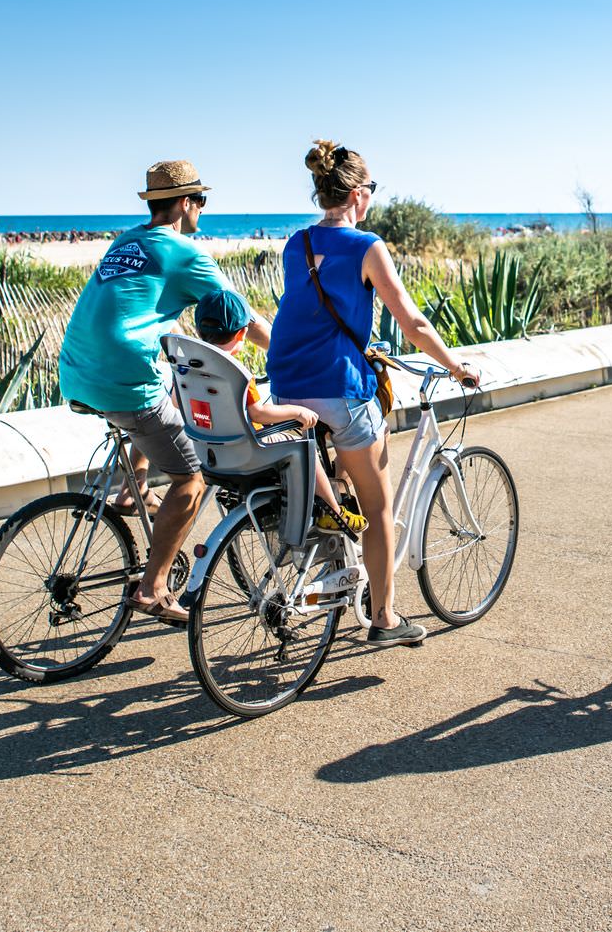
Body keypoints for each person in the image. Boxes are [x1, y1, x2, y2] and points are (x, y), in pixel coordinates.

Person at [266, 140, 480, 648]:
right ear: (359, 194)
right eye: (372, 190)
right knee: (380, 510)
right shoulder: (367, 246)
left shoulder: (295, 244)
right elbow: (412, 319)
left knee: (344, 467)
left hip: (288, 384)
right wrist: (455, 365)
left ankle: (334, 538)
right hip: (339, 387)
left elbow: (308, 314)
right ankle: (383, 619)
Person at [58, 159, 270, 626]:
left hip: (76, 371)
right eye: (201, 200)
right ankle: (152, 588)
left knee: (163, 397)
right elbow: (239, 316)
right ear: (184, 203)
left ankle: (130, 494)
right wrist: (286, 353)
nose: (202, 210)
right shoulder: (185, 252)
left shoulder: (125, 241)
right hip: (122, 377)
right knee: (191, 478)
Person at [191, 288, 358, 530]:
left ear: (198, 330)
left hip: (210, 451)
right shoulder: (236, 373)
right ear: (242, 333)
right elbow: (259, 413)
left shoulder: (191, 369)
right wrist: (296, 412)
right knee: (302, 443)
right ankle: (333, 510)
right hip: (249, 450)